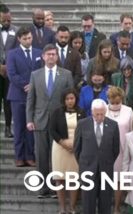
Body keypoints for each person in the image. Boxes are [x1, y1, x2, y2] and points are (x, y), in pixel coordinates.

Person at [26, 44, 74, 198]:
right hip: (39, 121)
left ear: (57, 56)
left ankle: (56, 189)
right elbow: (31, 99)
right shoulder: (35, 74)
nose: (51, 57)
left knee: (57, 157)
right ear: (43, 57)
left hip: (59, 122)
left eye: (54, 54)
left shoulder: (66, 74)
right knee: (41, 156)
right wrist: (29, 119)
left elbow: (70, 98)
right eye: (48, 54)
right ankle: (43, 189)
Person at [74, 99, 120, 214]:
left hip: (106, 168)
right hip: (87, 168)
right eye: (97, 114)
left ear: (105, 112)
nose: (99, 117)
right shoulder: (82, 124)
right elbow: (77, 149)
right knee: (88, 203)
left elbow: (116, 149)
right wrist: (85, 164)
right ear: (92, 112)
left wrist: (106, 161)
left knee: (105, 202)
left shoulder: (113, 125)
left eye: (102, 114)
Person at [7, 27, 42, 167]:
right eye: (25, 38)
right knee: (19, 127)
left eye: (30, 38)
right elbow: (11, 74)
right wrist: (25, 85)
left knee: (31, 127)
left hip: (34, 96)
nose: (28, 40)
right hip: (17, 95)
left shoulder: (39, 53)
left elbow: (41, 71)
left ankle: (30, 156)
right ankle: (19, 156)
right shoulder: (12, 54)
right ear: (19, 39)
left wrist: (33, 86)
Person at [49, 88, 85, 214]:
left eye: (72, 98)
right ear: (64, 100)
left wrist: (75, 145)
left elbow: (85, 130)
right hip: (60, 148)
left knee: (73, 178)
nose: (70, 101)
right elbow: (52, 130)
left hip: (76, 149)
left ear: (76, 99)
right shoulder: (57, 112)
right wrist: (63, 143)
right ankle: (62, 208)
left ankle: (72, 208)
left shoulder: (81, 112)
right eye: (67, 99)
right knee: (60, 178)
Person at [105, 86, 133, 214]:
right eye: (113, 102)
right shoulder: (103, 110)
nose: (116, 105)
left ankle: (117, 208)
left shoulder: (128, 111)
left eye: (118, 102)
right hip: (105, 150)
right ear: (108, 99)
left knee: (119, 180)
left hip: (123, 150)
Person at [0, 5, 18, 138]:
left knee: (8, 101)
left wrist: (8, 66)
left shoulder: (16, 31)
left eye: (9, 20)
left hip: (9, 72)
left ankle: (7, 128)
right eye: (4, 20)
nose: (7, 23)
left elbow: (17, 51)